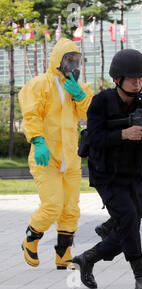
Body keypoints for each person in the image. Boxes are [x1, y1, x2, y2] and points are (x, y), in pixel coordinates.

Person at [72, 49, 142, 289]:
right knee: (130, 220)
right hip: (107, 175)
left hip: (137, 174)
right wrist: (123, 134)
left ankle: (88, 258)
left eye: (140, 77)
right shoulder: (101, 102)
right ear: (117, 78)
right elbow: (95, 136)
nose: (137, 82)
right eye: (131, 77)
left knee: (126, 226)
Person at [19, 38, 93, 270]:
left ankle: (64, 254)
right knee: (52, 204)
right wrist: (38, 140)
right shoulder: (40, 84)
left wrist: (80, 95)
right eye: (69, 60)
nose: (74, 65)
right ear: (58, 61)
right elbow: (32, 115)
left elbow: (93, 114)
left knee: (70, 207)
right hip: (46, 156)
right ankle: (31, 239)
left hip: (70, 157)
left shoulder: (79, 87)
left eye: (76, 60)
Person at [94, 75, 142, 249]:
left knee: (138, 200)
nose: (137, 85)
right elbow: (99, 135)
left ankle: (108, 227)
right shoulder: (114, 104)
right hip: (125, 163)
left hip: (141, 160)